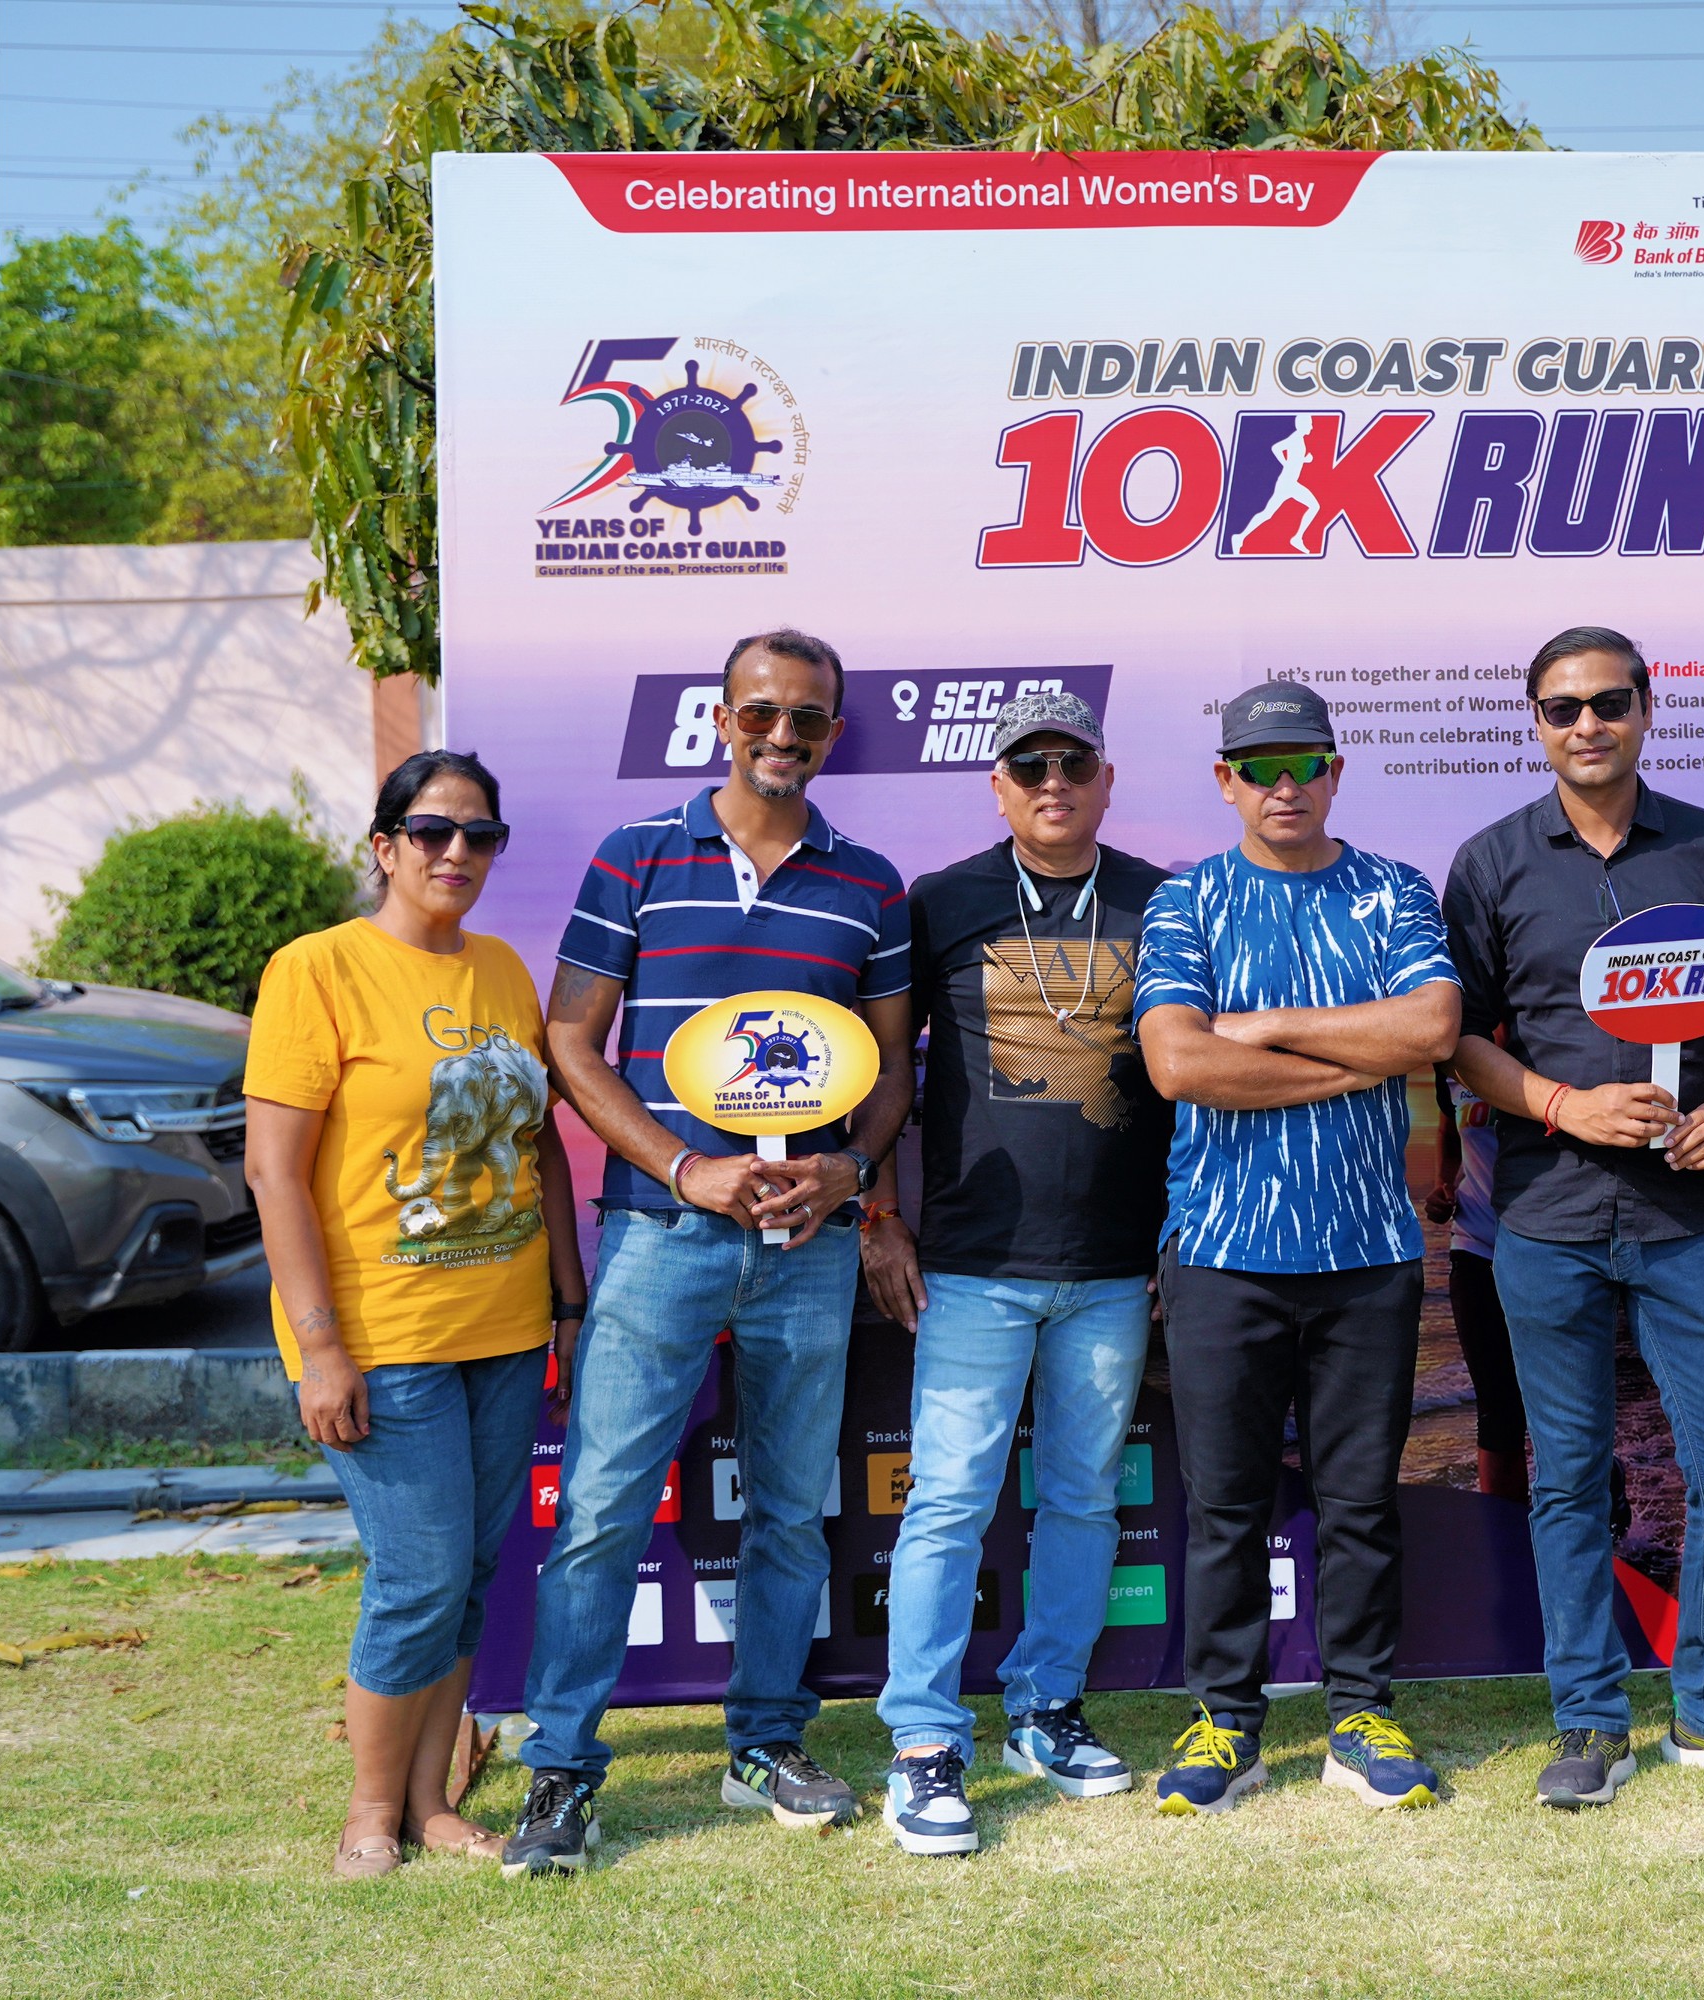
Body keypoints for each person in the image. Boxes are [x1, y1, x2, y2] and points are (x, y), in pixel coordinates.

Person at [504, 629, 915, 1875]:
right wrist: (687, 1167)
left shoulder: (871, 883)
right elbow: (571, 1043)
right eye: (762, 713)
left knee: (791, 1509)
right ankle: (562, 1769)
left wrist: (849, 1173)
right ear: (723, 720)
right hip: (660, 1230)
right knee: (601, 1508)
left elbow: (892, 1071)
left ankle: (765, 1743)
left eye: (809, 718)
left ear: (833, 732)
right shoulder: (636, 855)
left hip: (808, 1241)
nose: (784, 735)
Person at [1441, 625, 1704, 1812]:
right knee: (1568, 1478)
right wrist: (1562, 1102)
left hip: (1691, 1216)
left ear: (1647, 710)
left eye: (1608, 701)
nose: (1588, 724)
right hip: (1545, 1216)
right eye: (1563, 707)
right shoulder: (1492, 862)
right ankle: (1589, 1721)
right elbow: (1456, 1040)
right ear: (1536, 722)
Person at [243, 749, 584, 1879]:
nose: (457, 853)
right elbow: (273, 1172)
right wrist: (319, 1346)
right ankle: (369, 1810)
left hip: (505, 1326)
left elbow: (539, 1148)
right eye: (432, 831)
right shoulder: (318, 968)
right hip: (381, 1337)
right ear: (385, 846)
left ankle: (434, 1802)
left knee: (472, 1576)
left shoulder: (503, 970)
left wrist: (566, 1302)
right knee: (418, 1575)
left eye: (480, 835)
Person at [857, 690, 1174, 1857]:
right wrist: (879, 1214)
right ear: (997, 786)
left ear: (1106, 777)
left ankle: (1045, 1709)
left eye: (1073, 762)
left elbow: (1192, 1071)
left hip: (1114, 1265)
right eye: (1028, 765)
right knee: (948, 1499)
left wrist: (1178, 1232)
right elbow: (885, 1074)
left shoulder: (1161, 899)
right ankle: (923, 1740)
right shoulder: (939, 900)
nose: (1053, 782)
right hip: (974, 1264)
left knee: (1084, 1496)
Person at [1134, 679, 1461, 1815]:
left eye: (1304, 763)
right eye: (1259, 767)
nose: (1284, 785)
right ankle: (1227, 1721)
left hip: (1368, 1251)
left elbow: (1431, 1027)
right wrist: (1355, 1062)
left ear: (1335, 770)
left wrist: (1269, 1029)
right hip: (1223, 1250)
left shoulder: (1393, 890)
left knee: (1362, 1502)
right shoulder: (1187, 900)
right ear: (1225, 780)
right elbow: (1179, 1062)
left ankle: (1360, 1713)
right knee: (1224, 1506)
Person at [1428, 1054, 1529, 1504]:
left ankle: (1594, 1498)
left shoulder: (1543, 1047)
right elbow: (1450, 1133)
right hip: (1475, 1245)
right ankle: (1504, 1529)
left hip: (1548, 1248)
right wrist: (1443, 1184)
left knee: (1562, 1405)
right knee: (1497, 1407)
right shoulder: (1454, 1064)